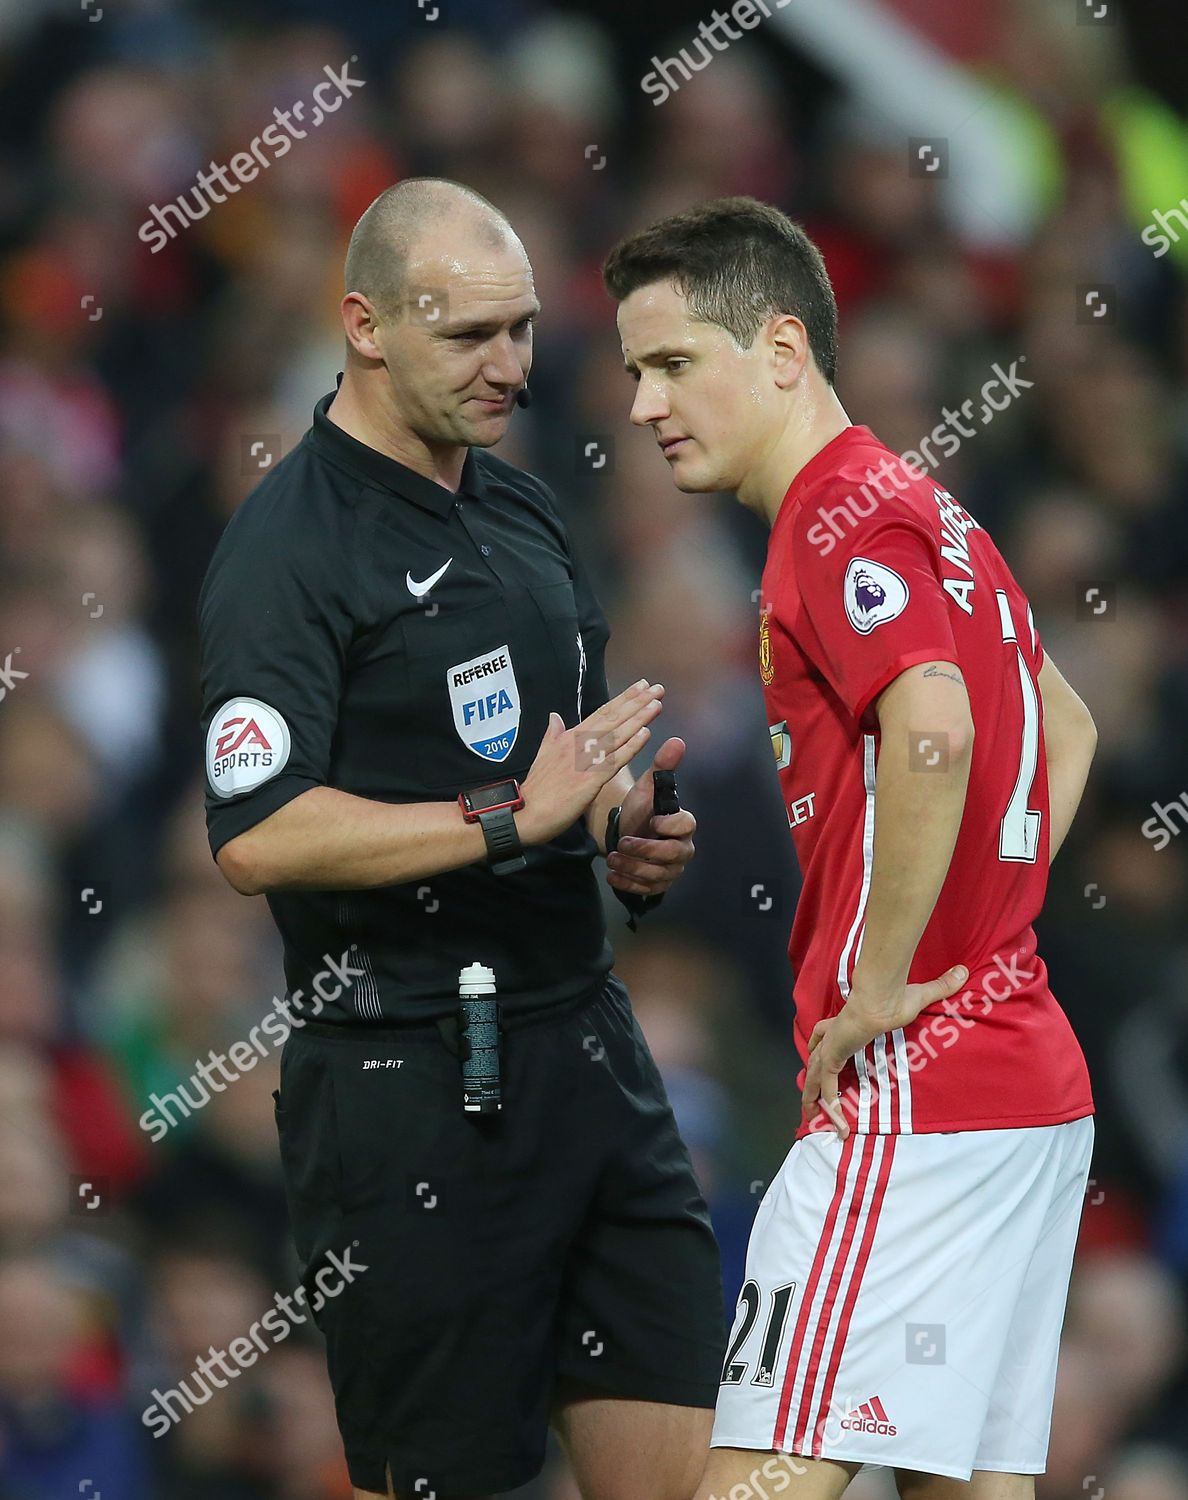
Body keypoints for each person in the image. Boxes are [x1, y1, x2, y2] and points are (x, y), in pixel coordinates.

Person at [198, 178, 725, 1500]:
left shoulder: (524, 511)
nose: (513, 369)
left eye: (525, 329)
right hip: (413, 1088)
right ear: (366, 325)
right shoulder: (285, 552)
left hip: (588, 1051)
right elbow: (256, 835)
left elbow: (564, 769)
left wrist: (619, 829)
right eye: (470, 338)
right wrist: (508, 822)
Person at [603, 197, 1097, 1500]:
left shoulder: (828, 523)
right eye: (632, 374)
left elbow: (932, 733)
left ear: (779, 349)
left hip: (913, 1090)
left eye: (672, 364)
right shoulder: (930, 508)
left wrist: (886, 980)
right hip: (1024, 1087)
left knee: (759, 1480)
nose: (646, 406)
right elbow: (1066, 722)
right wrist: (989, 920)